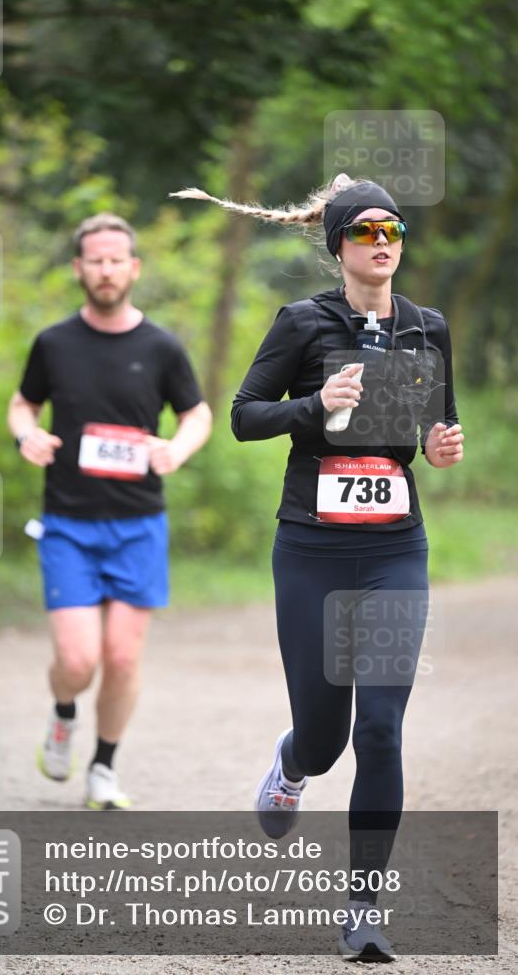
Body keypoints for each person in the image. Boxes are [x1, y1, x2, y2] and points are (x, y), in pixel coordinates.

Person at [172, 176, 463, 960]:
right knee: (327, 736)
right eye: (364, 230)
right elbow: (242, 417)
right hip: (311, 549)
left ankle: (363, 907)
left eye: (392, 230)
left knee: (381, 729)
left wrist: (439, 448)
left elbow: (440, 427)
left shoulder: (427, 329)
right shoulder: (304, 322)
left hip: (396, 545)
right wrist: (314, 404)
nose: (380, 241)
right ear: (337, 243)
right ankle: (292, 763)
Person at [8, 213, 211, 809]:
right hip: (67, 524)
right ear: (78, 268)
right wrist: (27, 435)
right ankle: (64, 712)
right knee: (76, 661)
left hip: (138, 524)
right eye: (94, 260)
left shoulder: (161, 347)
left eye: (115, 259)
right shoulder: (53, 342)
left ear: (133, 268)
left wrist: (176, 448)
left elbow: (196, 413)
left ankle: (102, 768)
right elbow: (23, 405)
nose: (105, 269)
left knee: (121, 656)